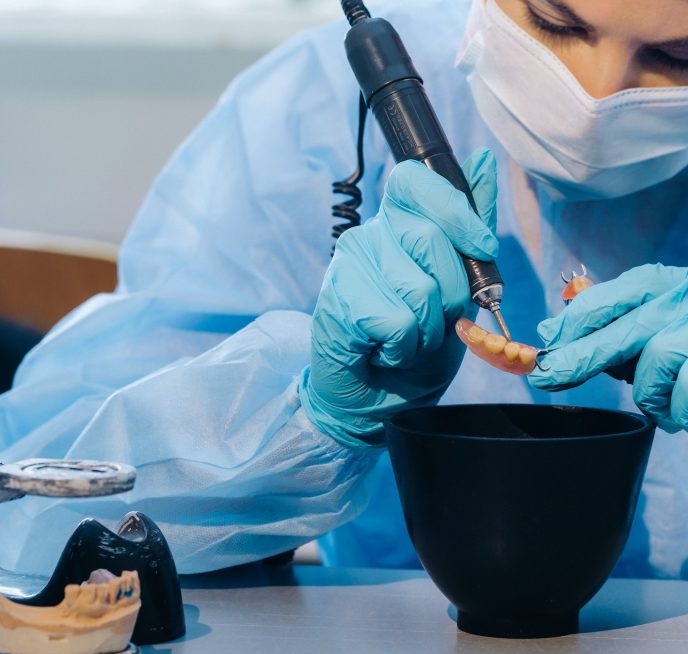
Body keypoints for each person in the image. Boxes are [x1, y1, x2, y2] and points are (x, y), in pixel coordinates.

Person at [1, 0, 688, 578]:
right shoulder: (314, 110)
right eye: (553, 18)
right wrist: (304, 420)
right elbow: (33, 509)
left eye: (680, 57)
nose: (594, 99)